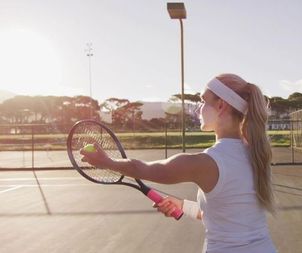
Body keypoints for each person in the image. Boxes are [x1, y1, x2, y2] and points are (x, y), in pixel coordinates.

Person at [80, 73, 277, 253]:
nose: (199, 108)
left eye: (203, 101)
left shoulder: (207, 162)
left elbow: (144, 169)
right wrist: (183, 206)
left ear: (221, 106)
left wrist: (106, 161)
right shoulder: (258, 155)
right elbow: (224, 216)